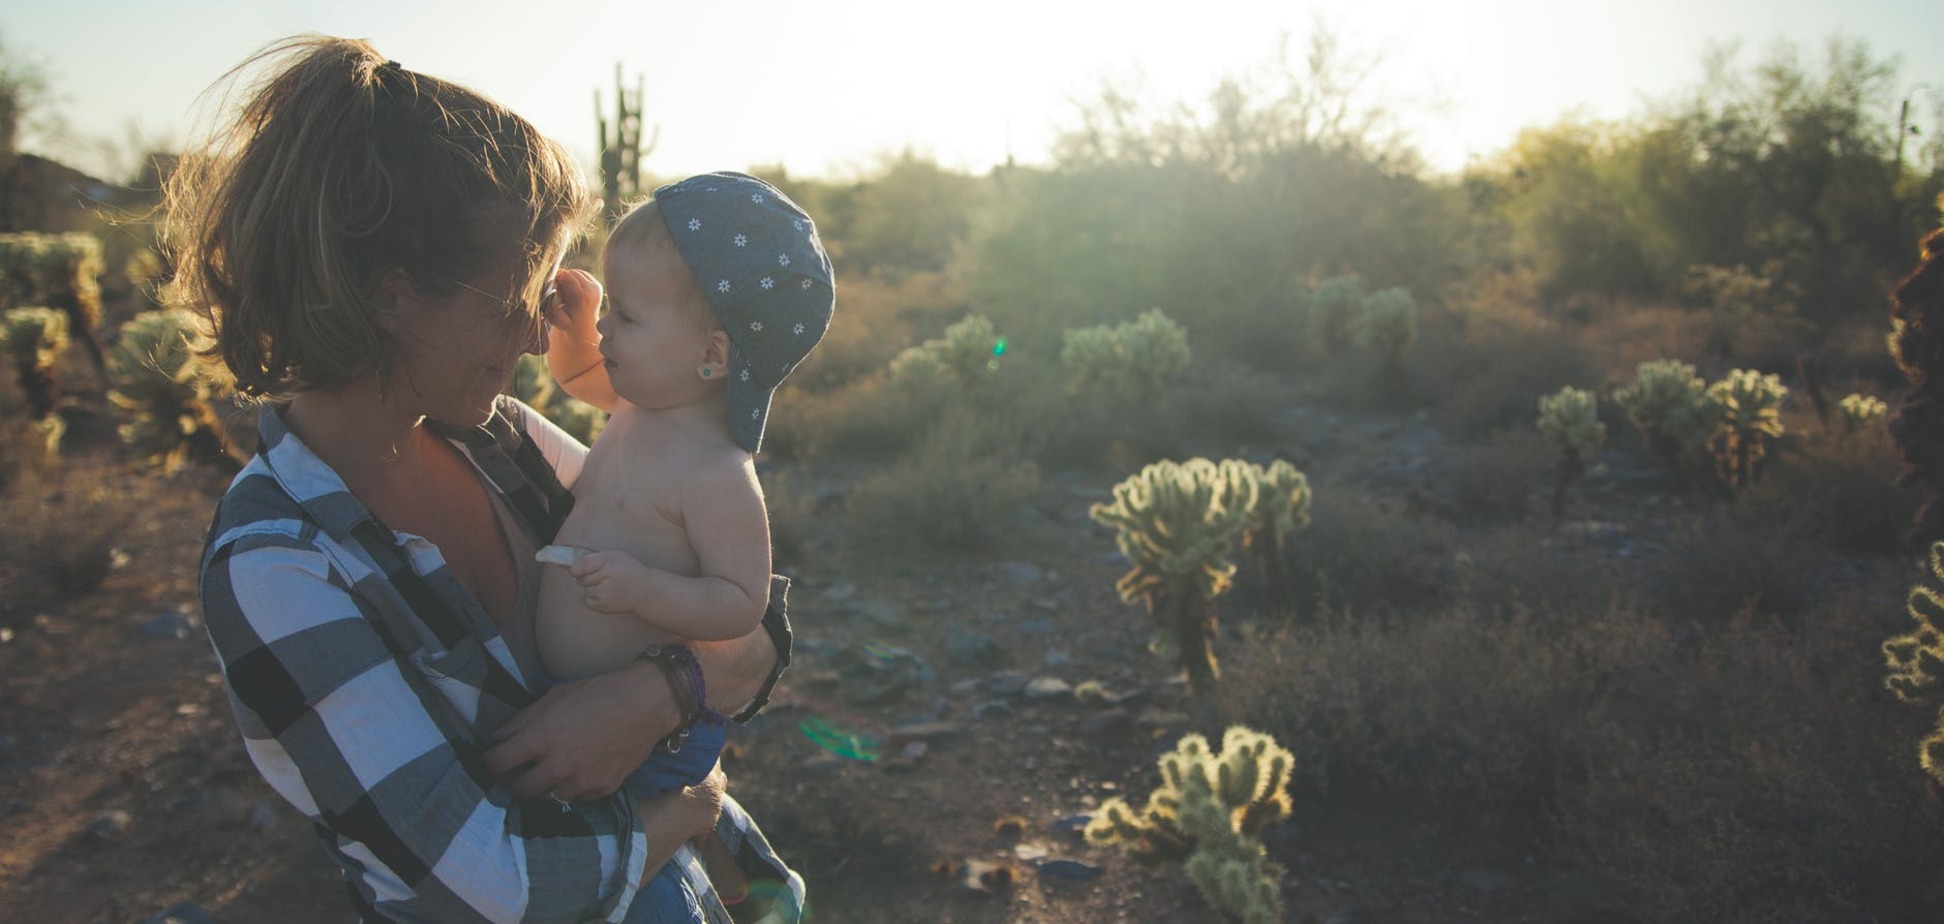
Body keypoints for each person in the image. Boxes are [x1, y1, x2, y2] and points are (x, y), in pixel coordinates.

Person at [168, 35, 801, 924]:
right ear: (393, 297)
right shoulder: (279, 566)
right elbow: (491, 889)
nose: (543, 339)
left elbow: (753, 628)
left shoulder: (497, 441)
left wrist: (654, 694)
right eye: (519, 298)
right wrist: (682, 811)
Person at [533, 173, 832, 914]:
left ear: (713, 354)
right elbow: (576, 372)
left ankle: (733, 888)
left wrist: (644, 590)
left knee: (644, 867)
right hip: (584, 703)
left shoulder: (715, 475)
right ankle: (750, 866)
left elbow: (741, 602)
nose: (608, 334)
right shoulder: (643, 399)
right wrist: (581, 321)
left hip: (650, 741)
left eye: (627, 316)